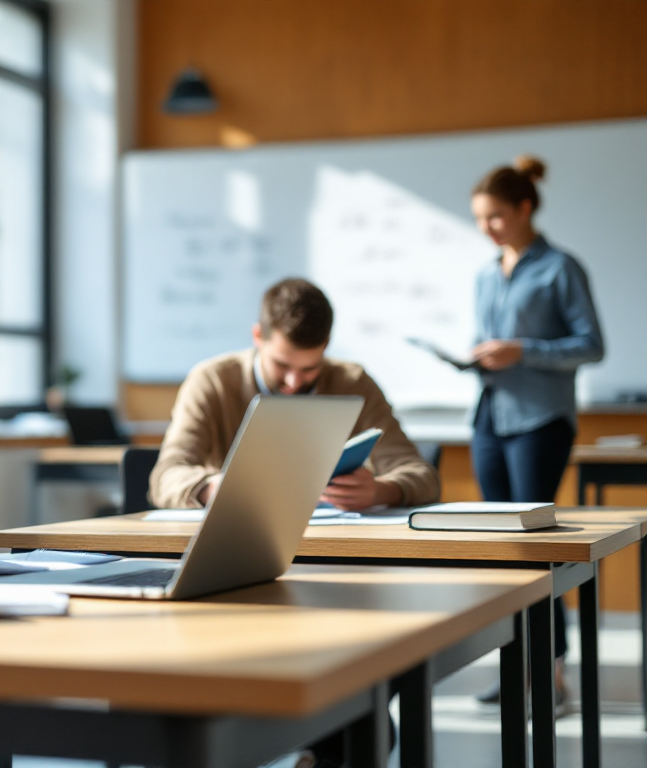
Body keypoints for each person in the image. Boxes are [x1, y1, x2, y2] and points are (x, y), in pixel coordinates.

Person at [468, 155, 604, 710]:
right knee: (502, 550)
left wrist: (523, 351)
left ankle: (550, 672)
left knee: (535, 548)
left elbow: (591, 345)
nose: (488, 227)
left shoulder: (560, 268)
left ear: (525, 208)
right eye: (480, 218)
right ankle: (514, 666)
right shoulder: (485, 271)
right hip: (490, 416)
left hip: (540, 421)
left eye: (496, 216)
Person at [150, 278, 440, 511]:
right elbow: (165, 478)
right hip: (236, 540)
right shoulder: (212, 380)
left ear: (326, 345)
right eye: (281, 364)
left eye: (310, 368)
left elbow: (422, 476)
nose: (293, 381)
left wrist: (380, 491)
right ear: (257, 336)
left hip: (332, 546)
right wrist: (217, 489)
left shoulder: (353, 382)